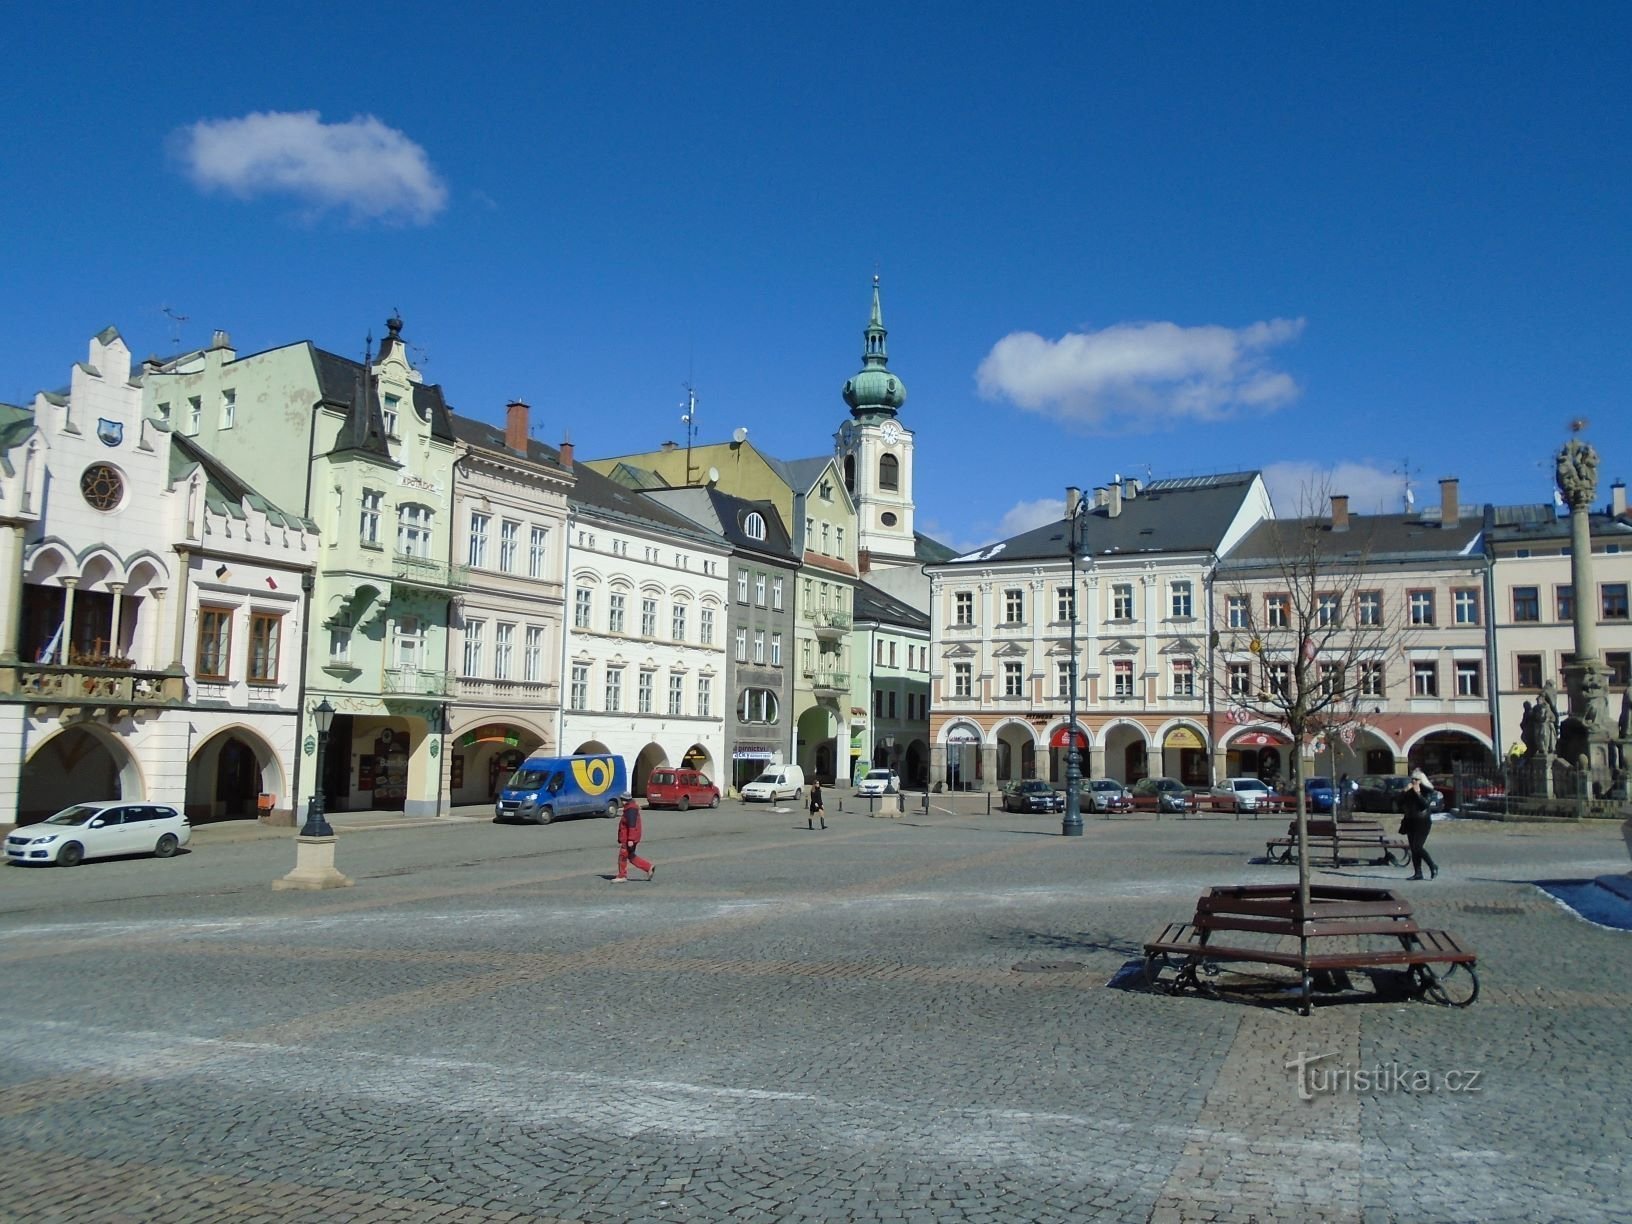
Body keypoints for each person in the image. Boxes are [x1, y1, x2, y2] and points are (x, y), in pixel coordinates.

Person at [1399, 770, 1438, 881]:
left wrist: (1418, 793)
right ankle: (1418, 872)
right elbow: (1399, 803)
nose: (1414, 781)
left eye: (1416, 779)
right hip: (1410, 821)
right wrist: (1403, 792)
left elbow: (1425, 805)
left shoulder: (1427, 790)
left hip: (1423, 822)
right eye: (1412, 779)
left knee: (1417, 846)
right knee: (1413, 848)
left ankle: (1432, 866)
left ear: (1422, 781)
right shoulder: (1409, 791)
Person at [612, 797, 655, 883]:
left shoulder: (630, 810)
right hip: (631, 838)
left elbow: (632, 825)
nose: (621, 802)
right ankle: (648, 867)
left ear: (625, 800)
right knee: (631, 856)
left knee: (623, 856)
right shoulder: (631, 808)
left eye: (622, 800)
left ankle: (622, 875)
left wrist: (630, 839)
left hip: (629, 838)